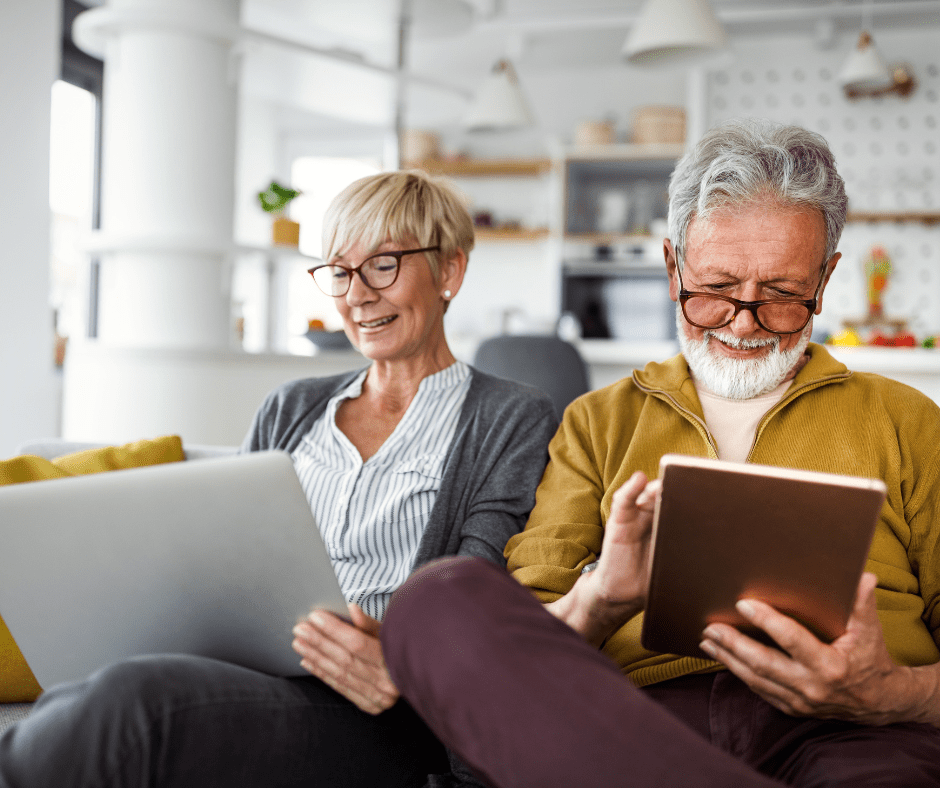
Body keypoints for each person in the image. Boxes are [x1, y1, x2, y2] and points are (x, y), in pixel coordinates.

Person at [377, 120, 940, 788]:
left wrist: (892, 692)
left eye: (784, 296)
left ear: (827, 277)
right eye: (716, 288)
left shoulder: (907, 421)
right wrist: (603, 600)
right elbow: (522, 637)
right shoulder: (598, 422)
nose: (742, 321)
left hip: (851, 734)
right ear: (673, 267)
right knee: (439, 602)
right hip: (636, 723)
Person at [0, 171, 558, 788]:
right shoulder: (291, 406)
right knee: (89, 694)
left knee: (138, 702)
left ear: (449, 272)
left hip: (386, 708)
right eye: (340, 272)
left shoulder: (511, 416)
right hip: (257, 673)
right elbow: (223, 554)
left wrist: (399, 663)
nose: (357, 296)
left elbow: (478, 588)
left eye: (384, 265)